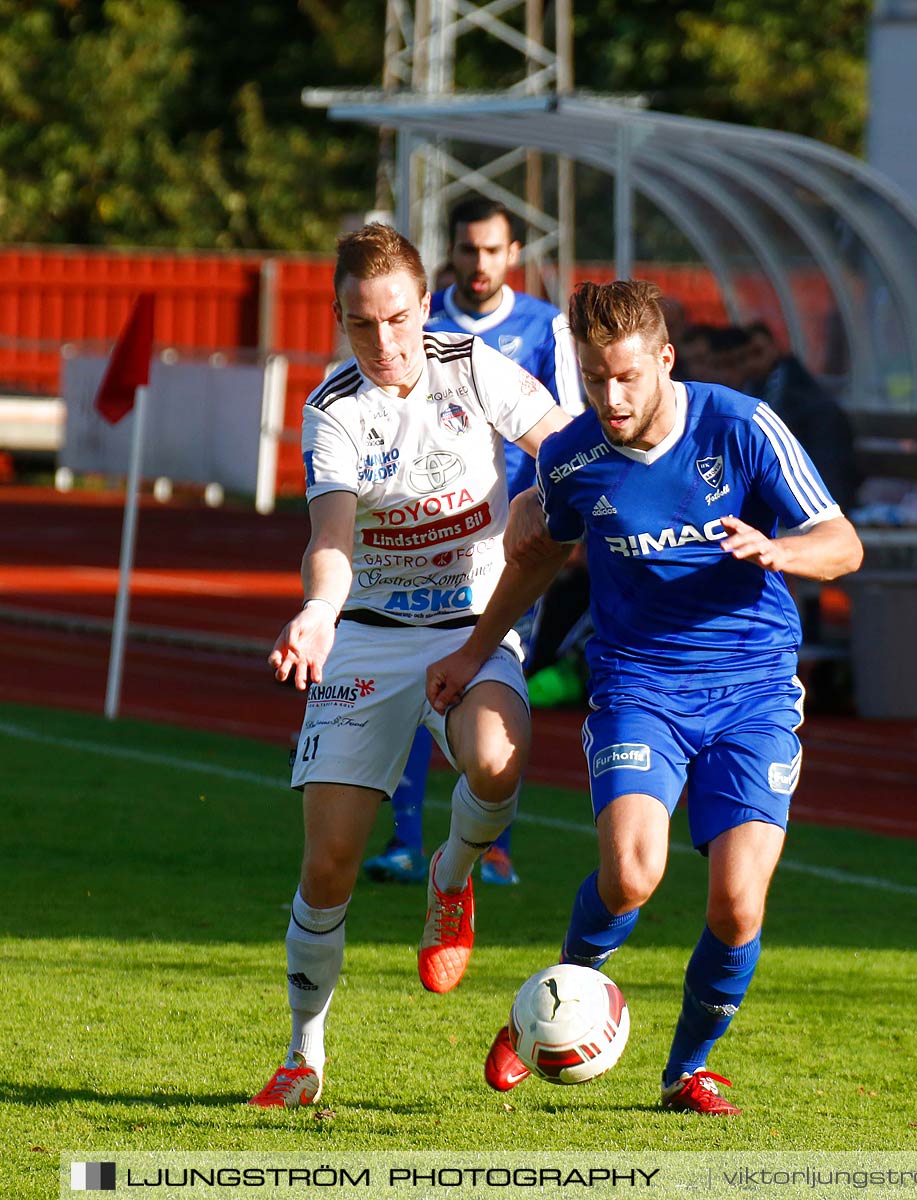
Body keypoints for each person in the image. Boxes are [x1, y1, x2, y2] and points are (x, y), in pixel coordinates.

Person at [426, 280, 864, 1115]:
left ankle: (686, 1069)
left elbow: (843, 544)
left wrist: (781, 551)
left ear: (666, 358)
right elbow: (536, 558)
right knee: (630, 876)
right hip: (641, 686)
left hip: (753, 690)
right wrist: (474, 651)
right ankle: (553, 1011)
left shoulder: (740, 427)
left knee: (737, 906)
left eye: (626, 377)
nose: (610, 398)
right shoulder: (575, 458)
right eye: (594, 380)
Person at [250, 224, 574, 1109]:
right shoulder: (335, 408)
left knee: (500, 759)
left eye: (397, 318)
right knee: (330, 867)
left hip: (470, 622)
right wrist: (317, 613)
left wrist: (545, 487)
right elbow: (332, 537)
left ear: (424, 305)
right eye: (362, 324)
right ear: (339, 321)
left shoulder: (472, 366)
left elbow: (561, 439)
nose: (385, 343)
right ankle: (302, 1055)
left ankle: (451, 876)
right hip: (365, 633)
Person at [362, 197, 586, 889]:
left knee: (494, 686)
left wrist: (555, 512)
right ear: (450, 253)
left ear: (513, 253)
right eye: (468, 250)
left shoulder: (543, 325)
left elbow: (573, 425)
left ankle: (492, 848)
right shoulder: (417, 326)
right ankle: (406, 841)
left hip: (512, 548)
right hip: (416, 543)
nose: (480, 263)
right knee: (409, 689)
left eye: (493, 250)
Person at [743, 321, 860, 510]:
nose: (751, 363)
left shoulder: (809, 403)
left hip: (814, 501)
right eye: (744, 357)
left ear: (774, 349)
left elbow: (830, 468)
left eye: (757, 353)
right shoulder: (748, 392)